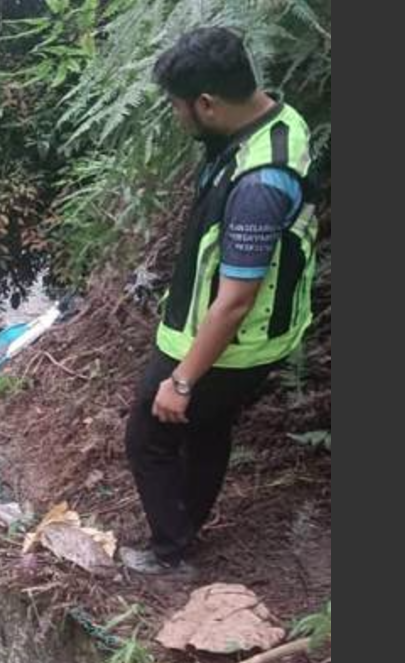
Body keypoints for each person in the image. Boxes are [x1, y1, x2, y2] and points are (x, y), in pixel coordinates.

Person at [121, 27, 320, 575]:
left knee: (148, 437)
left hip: (230, 343)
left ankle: (171, 551)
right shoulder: (279, 121)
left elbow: (234, 300)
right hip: (262, 334)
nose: (175, 116)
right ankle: (187, 527)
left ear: (207, 103)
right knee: (209, 429)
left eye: (178, 107)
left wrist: (182, 380)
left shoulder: (258, 185)